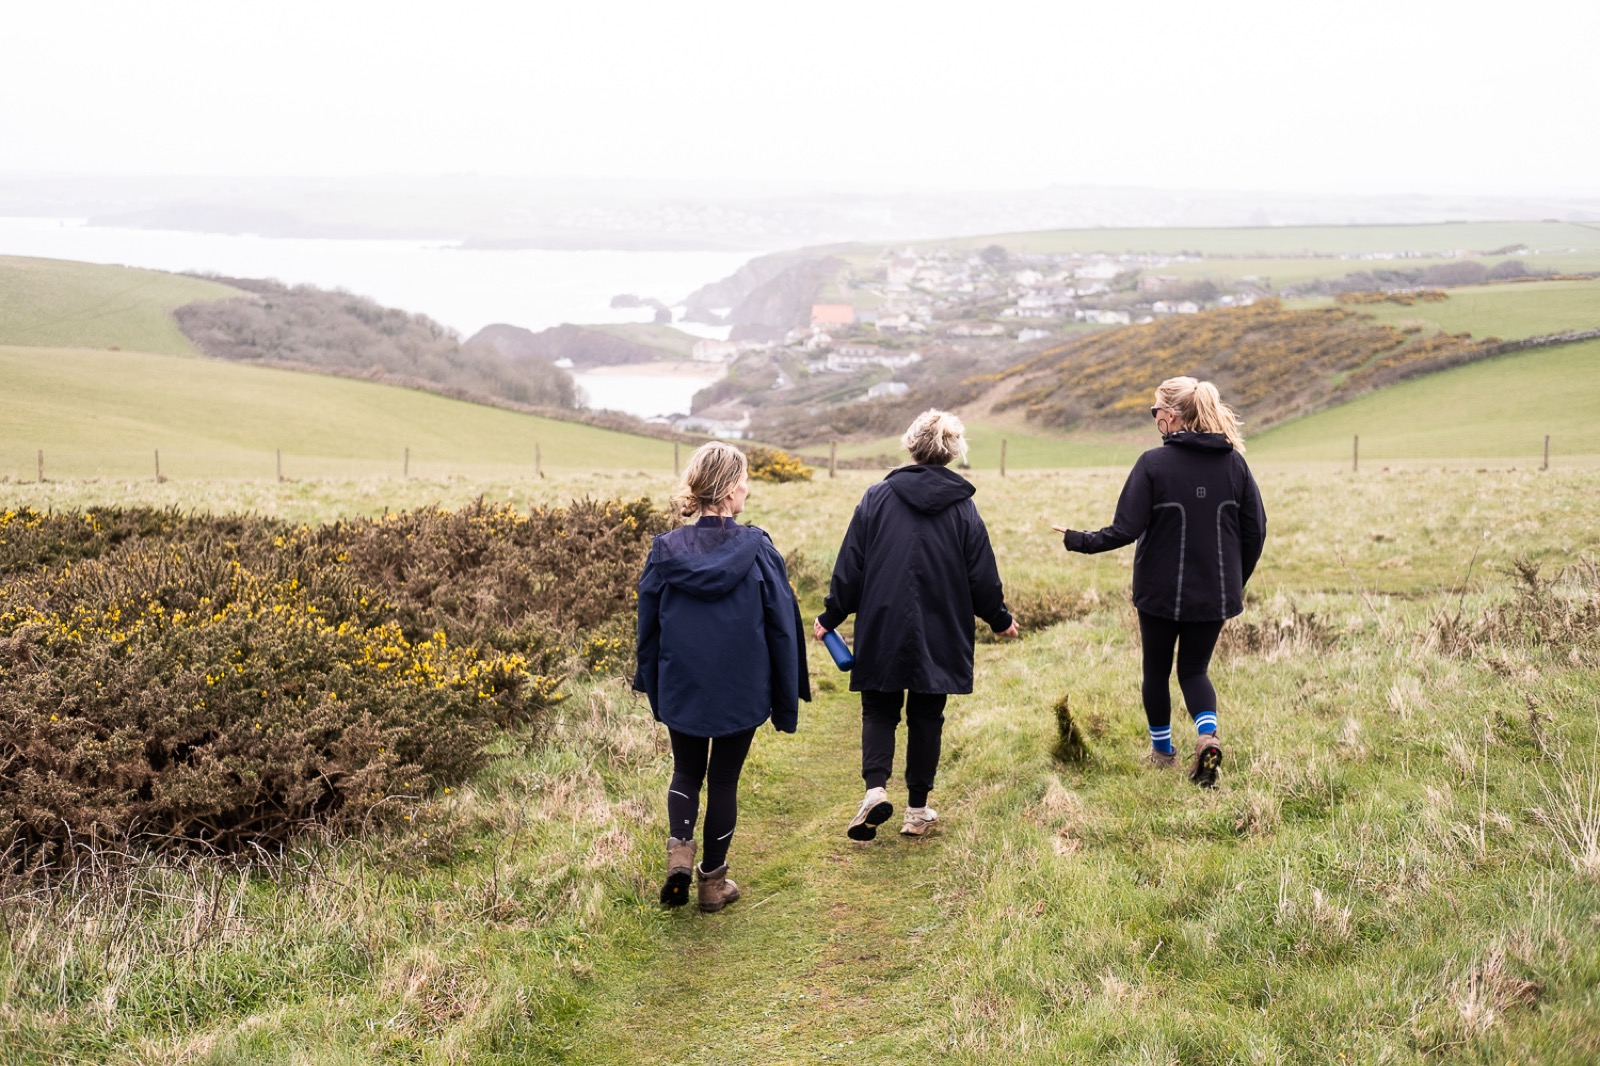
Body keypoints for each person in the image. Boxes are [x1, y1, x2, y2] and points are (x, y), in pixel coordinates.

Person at [1052, 376, 1266, 788]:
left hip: (1159, 593)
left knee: (1156, 671)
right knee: (1194, 671)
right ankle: (1207, 737)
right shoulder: (1235, 464)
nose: (1154, 419)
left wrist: (1077, 540)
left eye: (1155, 411)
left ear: (1171, 416)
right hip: (1214, 593)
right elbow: (1255, 531)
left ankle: (1163, 752)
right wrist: (1233, 582)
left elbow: (1124, 529)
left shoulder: (1152, 464)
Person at [815, 409, 1018, 841]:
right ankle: (917, 811)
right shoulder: (964, 509)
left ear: (910, 445)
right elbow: (982, 576)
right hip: (941, 628)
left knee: (878, 708)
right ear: (953, 452)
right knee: (927, 716)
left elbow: (850, 567)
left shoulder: (876, 498)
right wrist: (1000, 620)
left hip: (882, 623)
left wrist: (830, 616)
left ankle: (874, 791)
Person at [634, 441, 810, 911]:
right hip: (742, 687)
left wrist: (651, 681)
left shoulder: (665, 551)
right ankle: (712, 885)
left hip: (683, 683)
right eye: (745, 480)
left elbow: (647, 626)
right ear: (731, 490)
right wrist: (786, 695)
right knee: (724, 780)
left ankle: (679, 855)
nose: (748, 488)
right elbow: (782, 628)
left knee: (686, 771)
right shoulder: (759, 550)